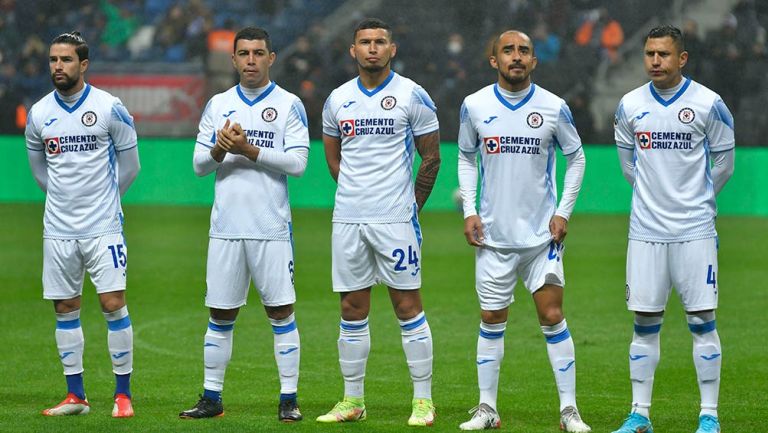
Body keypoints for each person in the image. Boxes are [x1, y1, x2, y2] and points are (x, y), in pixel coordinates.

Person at [456, 30, 591, 432]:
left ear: (534, 61)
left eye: (524, 51)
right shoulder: (474, 105)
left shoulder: (553, 107)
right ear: (493, 59)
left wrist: (563, 212)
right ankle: (487, 408)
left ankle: (569, 410)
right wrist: (469, 209)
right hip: (493, 237)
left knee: (551, 315)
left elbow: (577, 158)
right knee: (491, 318)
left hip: (540, 238)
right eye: (508, 51)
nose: (517, 57)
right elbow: (464, 156)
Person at [179, 26, 309, 422]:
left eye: (258, 53)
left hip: (270, 228)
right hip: (226, 228)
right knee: (220, 315)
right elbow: (200, 165)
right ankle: (211, 398)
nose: (251, 60)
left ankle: (289, 399)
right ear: (233, 60)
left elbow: (299, 164)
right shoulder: (218, 104)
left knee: (281, 313)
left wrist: (248, 149)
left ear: (271, 58)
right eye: (244, 54)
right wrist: (221, 147)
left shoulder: (288, 105)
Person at [317, 18, 441, 427]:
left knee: (408, 306)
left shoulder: (413, 95)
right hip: (349, 218)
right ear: (352, 51)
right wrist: (359, 193)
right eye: (365, 43)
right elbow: (334, 161)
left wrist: (410, 207)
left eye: (380, 42)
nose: (372, 48)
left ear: (393, 49)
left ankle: (423, 401)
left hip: (396, 220)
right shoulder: (337, 99)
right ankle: (353, 399)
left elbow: (431, 157)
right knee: (352, 308)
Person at [612, 25, 735, 433]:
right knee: (644, 322)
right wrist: (654, 200)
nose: (654, 61)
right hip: (645, 232)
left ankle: (709, 416)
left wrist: (696, 201)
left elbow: (724, 164)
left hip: (694, 231)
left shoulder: (709, 104)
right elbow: (629, 166)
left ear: (681, 59)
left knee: (702, 319)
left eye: (663, 55)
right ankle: (640, 415)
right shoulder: (629, 105)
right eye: (649, 54)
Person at [25, 31, 140, 418]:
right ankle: (76, 396)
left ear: (83, 64)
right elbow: (41, 172)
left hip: (103, 226)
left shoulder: (110, 107)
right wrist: (64, 202)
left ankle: (122, 394)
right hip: (58, 228)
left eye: (66, 60)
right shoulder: (39, 113)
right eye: (54, 60)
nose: (58, 66)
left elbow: (131, 165)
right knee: (65, 306)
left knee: (112, 303)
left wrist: (104, 202)